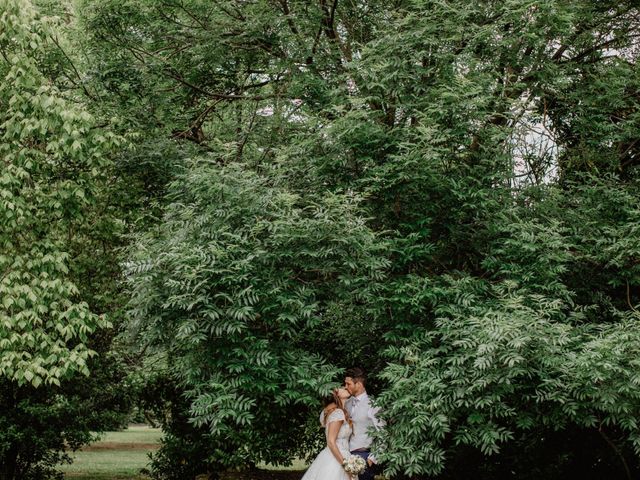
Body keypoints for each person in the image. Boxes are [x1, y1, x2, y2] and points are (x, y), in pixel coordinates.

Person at [301, 387, 353, 480]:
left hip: (339, 453)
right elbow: (331, 441)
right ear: (336, 395)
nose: (345, 388)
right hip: (337, 456)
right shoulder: (338, 413)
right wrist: (345, 465)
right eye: (341, 388)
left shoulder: (335, 411)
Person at [344, 367, 384, 480]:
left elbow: (383, 434)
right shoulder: (346, 403)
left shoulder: (374, 405)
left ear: (359, 384)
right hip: (346, 456)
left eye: (348, 384)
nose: (345, 387)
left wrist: (372, 458)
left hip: (364, 456)